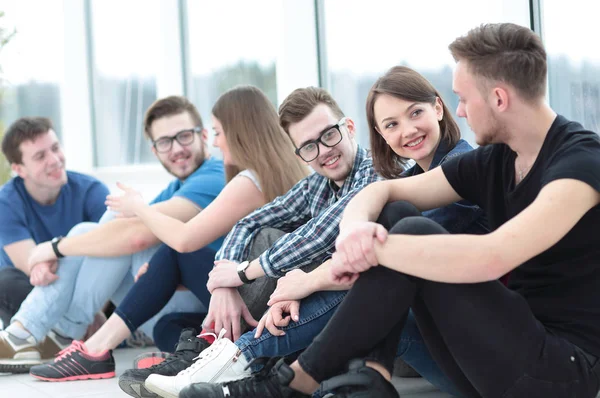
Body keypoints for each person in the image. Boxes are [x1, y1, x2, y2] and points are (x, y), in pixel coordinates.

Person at [183, 23, 600, 398]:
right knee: (398, 214)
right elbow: (384, 193)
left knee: (410, 233)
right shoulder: (495, 160)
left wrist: (363, 256)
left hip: (558, 373)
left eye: (461, 98)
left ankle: (294, 381)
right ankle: (367, 376)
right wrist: (353, 235)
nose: (459, 111)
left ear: (498, 97)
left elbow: (493, 255)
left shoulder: (579, 164)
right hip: (497, 355)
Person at [152, 66, 488, 398]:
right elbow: (250, 222)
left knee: (362, 249)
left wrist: (284, 279)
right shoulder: (406, 179)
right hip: (424, 336)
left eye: (416, 112)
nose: (408, 130)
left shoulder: (450, 171)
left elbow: (330, 238)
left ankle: (245, 363)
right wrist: (227, 282)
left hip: (479, 356)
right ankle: (251, 367)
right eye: (392, 124)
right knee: (281, 241)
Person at [26, 85, 310, 386]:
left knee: (174, 251)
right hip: (268, 293)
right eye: (164, 142)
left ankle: (92, 348)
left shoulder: (248, 180)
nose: (216, 142)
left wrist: (137, 206)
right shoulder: (282, 171)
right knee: (167, 327)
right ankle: (205, 357)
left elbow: (184, 241)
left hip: (262, 295)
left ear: (237, 131)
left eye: (217, 132)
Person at [123, 87, 381, 398]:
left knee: (261, 240)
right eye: (308, 147)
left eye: (329, 135)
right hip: (300, 304)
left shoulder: (377, 173)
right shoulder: (316, 184)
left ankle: (215, 355)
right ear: (299, 153)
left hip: (366, 317)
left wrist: (243, 272)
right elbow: (247, 222)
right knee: (169, 324)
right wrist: (225, 283)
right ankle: (212, 356)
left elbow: (319, 236)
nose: (323, 150)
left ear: (349, 128)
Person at [0, 96, 225, 372]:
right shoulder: (176, 188)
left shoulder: (215, 175)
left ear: (203, 135)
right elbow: (32, 262)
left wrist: (57, 247)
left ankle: (46, 332)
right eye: (165, 142)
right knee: (94, 232)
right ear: (155, 151)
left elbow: (135, 237)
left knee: (108, 225)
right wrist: (58, 250)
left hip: (206, 308)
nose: (176, 148)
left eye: (184, 136)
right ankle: (53, 332)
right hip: (167, 310)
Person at [0, 117, 109, 366]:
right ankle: (59, 332)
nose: (54, 160)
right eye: (40, 156)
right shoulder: (6, 202)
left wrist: (96, 307)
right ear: (19, 169)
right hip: (34, 292)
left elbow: (114, 253)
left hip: (93, 292)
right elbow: (36, 269)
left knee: (98, 246)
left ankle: (30, 340)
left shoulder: (92, 191)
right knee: (4, 281)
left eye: (55, 148)